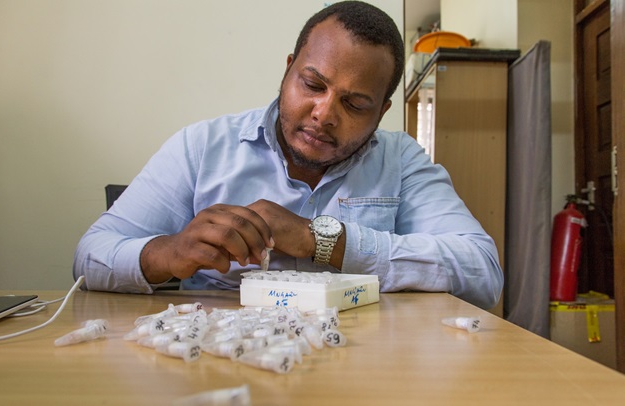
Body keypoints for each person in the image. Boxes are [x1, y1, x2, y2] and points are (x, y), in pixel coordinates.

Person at [73, 1, 503, 309]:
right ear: (288, 69)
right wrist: (166, 254)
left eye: (354, 105)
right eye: (312, 85)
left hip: (365, 370)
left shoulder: (400, 159)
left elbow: (482, 273)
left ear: (381, 112)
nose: (324, 114)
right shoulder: (202, 147)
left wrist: (323, 240)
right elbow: (89, 256)